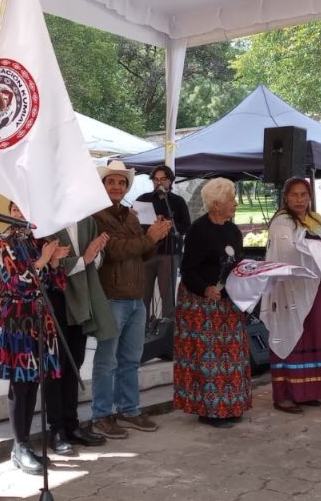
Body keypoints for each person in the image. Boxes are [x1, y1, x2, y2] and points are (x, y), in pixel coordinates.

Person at [90, 161, 171, 438]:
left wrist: (156, 238)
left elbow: (141, 254)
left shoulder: (131, 216)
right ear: (103, 186)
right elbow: (113, 250)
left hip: (136, 296)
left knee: (130, 359)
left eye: (121, 182)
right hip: (112, 297)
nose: (116, 186)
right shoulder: (96, 216)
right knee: (107, 360)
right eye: (111, 182)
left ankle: (128, 408)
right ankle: (101, 414)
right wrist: (150, 238)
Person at [0, 201, 69, 474]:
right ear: (10, 211)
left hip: (41, 316)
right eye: (15, 208)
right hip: (17, 318)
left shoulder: (39, 241)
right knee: (20, 383)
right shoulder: (5, 243)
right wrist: (43, 261)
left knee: (34, 381)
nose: (20, 213)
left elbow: (58, 285)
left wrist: (55, 261)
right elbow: (17, 284)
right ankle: (20, 444)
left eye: (25, 207)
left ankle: (23, 445)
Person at [262, 177, 321, 413]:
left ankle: (309, 391)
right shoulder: (282, 221)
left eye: (304, 195)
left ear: (310, 197)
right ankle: (285, 394)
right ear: (286, 198)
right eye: (294, 195)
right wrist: (315, 248)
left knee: (315, 335)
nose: (299, 200)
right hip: (291, 289)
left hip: (317, 286)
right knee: (291, 335)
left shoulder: (315, 220)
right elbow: (286, 252)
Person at [174, 178, 251, 428]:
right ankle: (209, 410)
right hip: (201, 303)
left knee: (232, 357)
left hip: (227, 301)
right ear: (216, 204)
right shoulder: (199, 229)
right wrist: (205, 289)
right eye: (231, 199)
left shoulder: (233, 230)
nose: (236, 204)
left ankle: (231, 405)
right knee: (209, 358)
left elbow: (236, 263)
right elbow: (187, 269)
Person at [44, 217, 113, 454]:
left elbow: (96, 261)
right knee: (56, 367)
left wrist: (97, 254)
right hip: (55, 300)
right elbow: (48, 266)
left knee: (75, 363)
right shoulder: (47, 220)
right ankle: (56, 430)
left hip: (80, 298)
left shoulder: (88, 221)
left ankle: (72, 425)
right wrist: (85, 258)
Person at [135, 165, 191, 321]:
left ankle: (167, 334)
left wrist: (169, 224)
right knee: (143, 295)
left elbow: (187, 226)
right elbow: (134, 226)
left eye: (163, 179)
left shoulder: (178, 201)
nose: (159, 183)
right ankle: (142, 330)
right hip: (146, 253)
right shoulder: (143, 199)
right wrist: (152, 227)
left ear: (170, 181)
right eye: (156, 179)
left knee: (167, 295)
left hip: (169, 253)